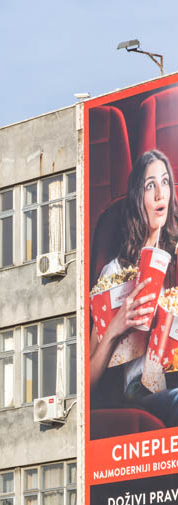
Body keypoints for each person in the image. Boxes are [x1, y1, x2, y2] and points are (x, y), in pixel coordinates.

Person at [90, 149, 178, 425]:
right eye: (149, 186)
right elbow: (88, 382)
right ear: (137, 197)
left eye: (165, 182)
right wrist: (115, 327)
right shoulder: (116, 273)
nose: (159, 194)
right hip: (142, 390)